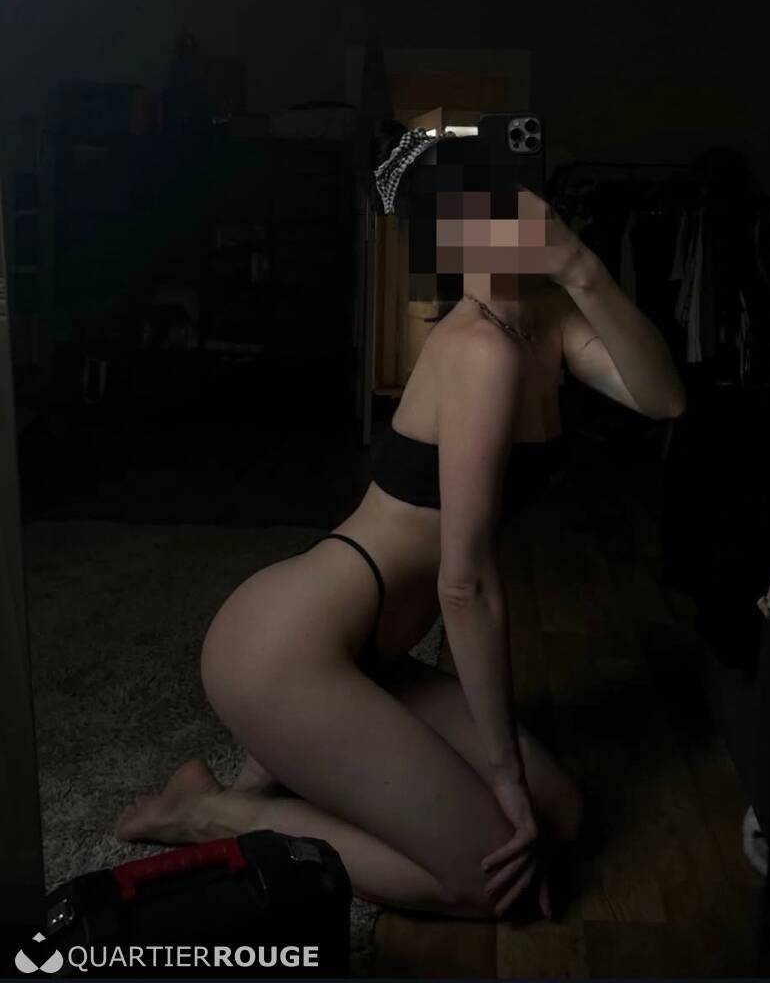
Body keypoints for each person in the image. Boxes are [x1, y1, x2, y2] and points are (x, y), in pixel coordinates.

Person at [114, 122, 687, 921]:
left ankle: (293, 765)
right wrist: (503, 776)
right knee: (487, 882)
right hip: (283, 649)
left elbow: (665, 398)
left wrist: (585, 269)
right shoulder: (479, 350)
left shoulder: (550, 317)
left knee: (563, 817)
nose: (517, 207)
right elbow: (464, 586)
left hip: (372, 654)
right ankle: (219, 813)